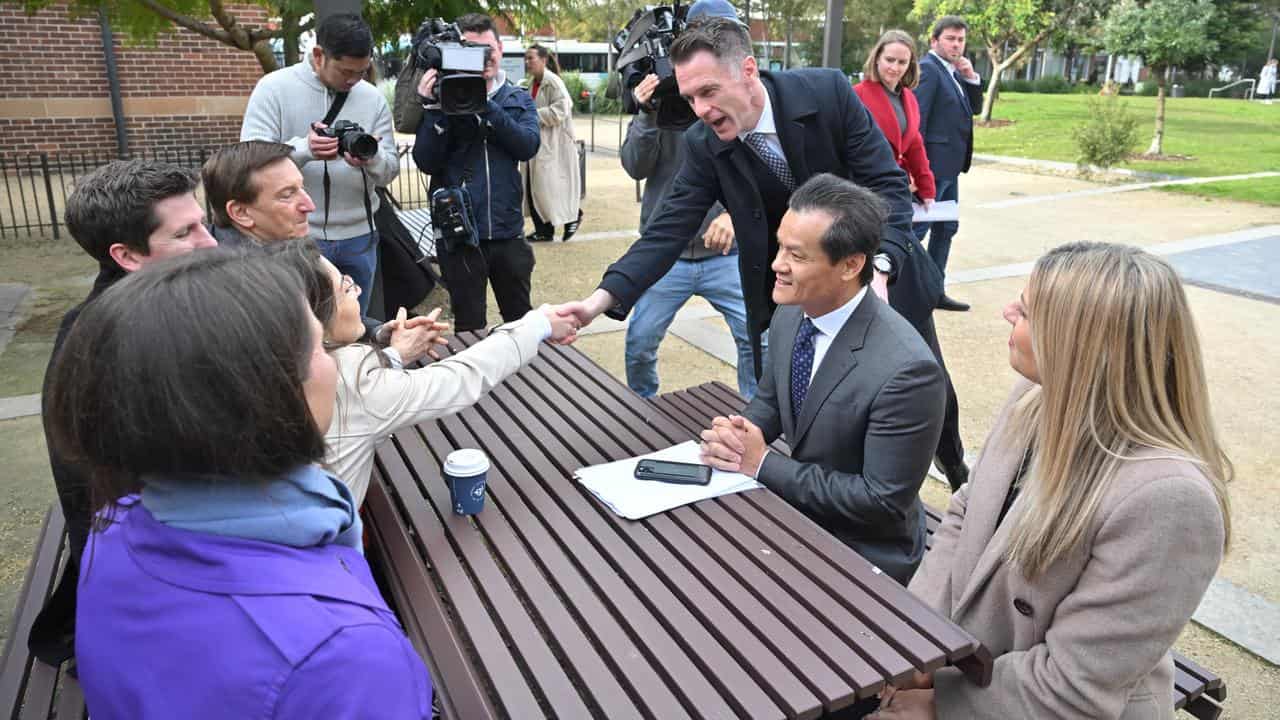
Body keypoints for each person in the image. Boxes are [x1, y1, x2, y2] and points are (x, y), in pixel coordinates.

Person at [561, 16, 969, 492]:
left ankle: (959, 476)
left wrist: (879, 269)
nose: (700, 110)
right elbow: (664, 232)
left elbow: (888, 188)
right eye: (691, 97)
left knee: (930, 391)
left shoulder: (827, 94)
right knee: (808, 404)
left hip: (878, 270)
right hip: (792, 289)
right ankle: (827, 499)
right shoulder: (704, 143)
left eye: (709, 92)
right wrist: (597, 303)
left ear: (749, 70)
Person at [45, 247, 434, 718]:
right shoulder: (343, 656)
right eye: (318, 347)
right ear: (265, 398)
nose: (334, 365)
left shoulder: (119, 522)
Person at [871, 243, 1231, 720]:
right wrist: (919, 643)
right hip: (968, 668)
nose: (1006, 312)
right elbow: (965, 513)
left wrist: (943, 701)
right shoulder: (1035, 400)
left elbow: (1075, 686)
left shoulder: (1169, 499)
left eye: (1026, 309)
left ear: (1078, 345)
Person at [699, 174, 945, 588]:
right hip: (800, 515)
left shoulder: (908, 371)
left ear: (851, 265)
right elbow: (773, 400)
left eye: (796, 255)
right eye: (780, 246)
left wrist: (761, 463)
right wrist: (742, 434)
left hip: (865, 551)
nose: (777, 264)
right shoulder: (793, 312)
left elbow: (882, 502)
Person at [27, 159, 216, 667]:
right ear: (127, 255)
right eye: (186, 232)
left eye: (204, 223)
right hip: (157, 581)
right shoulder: (126, 347)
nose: (211, 242)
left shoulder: (143, 308)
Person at [266, 241, 578, 507]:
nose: (358, 291)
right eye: (346, 288)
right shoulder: (350, 377)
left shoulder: (258, 368)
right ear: (312, 320)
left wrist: (392, 354)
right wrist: (538, 325)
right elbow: (459, 378)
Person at [619, 1, 757, 400]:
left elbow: (764, 172)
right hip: (668, 254)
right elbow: (634, 167)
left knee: (757, 340)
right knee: (640, 342)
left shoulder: (743, 100)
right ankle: (643, 408)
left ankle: (757, 414)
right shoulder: (669, 91)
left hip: (726, 254)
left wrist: (733, 213)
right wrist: (647, 113)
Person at [241, 12, 399, 315]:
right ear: (318, 55)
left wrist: (371, 158)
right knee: (298, 328)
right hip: (294, 237)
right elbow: (248, 162)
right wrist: (303, 150)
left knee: (354, 327)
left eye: (362, 72)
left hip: (359, 236)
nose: (353, 81)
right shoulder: (273, 89)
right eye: (345, 72)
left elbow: (389, 171)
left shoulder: (372, 98)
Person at [413, 13, 541, 332]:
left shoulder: (517, 97)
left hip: (507, 230)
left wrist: (486, 105)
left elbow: (527, 146)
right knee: (468, 323)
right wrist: (433, 110)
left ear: (500, 48)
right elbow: (426, 161)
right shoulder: (443, 100)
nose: (483, 59)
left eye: (489, 50)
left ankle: (522, 380)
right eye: (472, 52)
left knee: (520, 319)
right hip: (459, 235)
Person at [911, 16, 983, 313]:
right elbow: (918, 123)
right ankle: (903, 290)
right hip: (932, 169)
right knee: (918, 232)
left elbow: (974, 109)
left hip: (950, 169)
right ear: (934, 41)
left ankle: (934, 291)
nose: (956, 44)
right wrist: (918, 171)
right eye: (951, 38)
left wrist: (971, 77)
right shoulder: (928, 70)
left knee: (946, 228)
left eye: (961, 40)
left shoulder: (953, 72)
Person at [854, 31, 936, 213]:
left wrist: (926, 188)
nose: (895, 68)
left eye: (902, 62)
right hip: (867, 190)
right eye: (889, 60)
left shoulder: (909, 98)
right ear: (877, 59)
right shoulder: (857, 95)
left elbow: (915, 145)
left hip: (898, 187)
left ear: (910, 65)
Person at [202, 140, 316, 246]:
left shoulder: (283, 250)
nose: (310, 206)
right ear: (241, 213)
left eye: (302, 187)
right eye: (287, 195)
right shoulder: (235, 266)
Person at [523, 44, 583, 243]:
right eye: (526, 58)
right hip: (538, 142)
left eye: (531, 58)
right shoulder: (533, 82)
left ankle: (573, 217)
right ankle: (544, 229)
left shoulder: (553, 82)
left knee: (554, 186)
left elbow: (562, 109)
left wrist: (532, 116)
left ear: (543, 60)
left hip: (555, 143)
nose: (527, 62)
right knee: (535, 187)